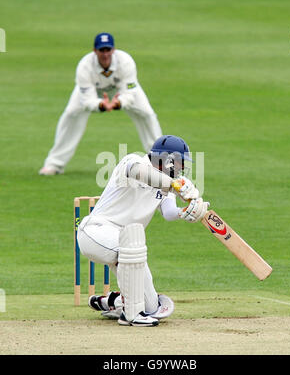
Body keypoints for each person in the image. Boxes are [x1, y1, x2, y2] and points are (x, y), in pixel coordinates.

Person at [76, 135, 210, 327]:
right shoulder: (133, 161)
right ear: (167, 159)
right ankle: (131, 315)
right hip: (96, 232)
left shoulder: (168, 184)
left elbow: (169, 213)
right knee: (132, 248)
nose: (181, 168)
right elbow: (137, 172)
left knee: (152, 306)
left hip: (127, 246)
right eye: (180, 163)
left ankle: (112, 302)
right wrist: (173, 185)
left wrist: (187, 212)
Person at [39, 32, 162, 175]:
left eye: (108, 50)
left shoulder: (126, 62)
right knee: (71, 114)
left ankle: (158, 162)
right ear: (94, 51)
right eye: (101, 50)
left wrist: (118, 103)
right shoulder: (85, 66)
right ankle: (54, 164)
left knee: (147, 114)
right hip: (94, 93)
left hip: (120, 92)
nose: (105, 54)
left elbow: (130, 94)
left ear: (113, 50)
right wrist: (101, 105)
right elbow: (87, 100)